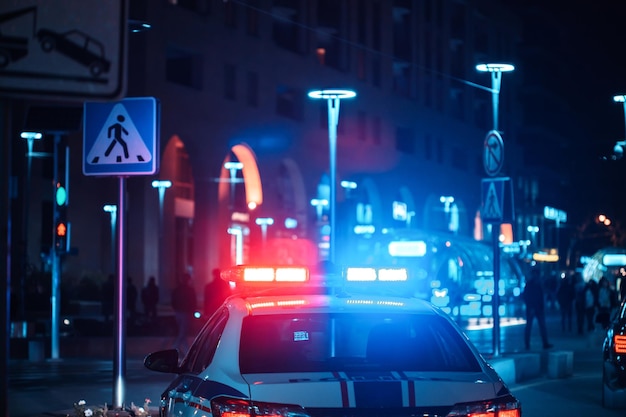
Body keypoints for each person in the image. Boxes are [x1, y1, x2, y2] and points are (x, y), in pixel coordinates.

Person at [522, 269, 553, 350]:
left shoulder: (536, 284)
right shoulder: (532, 284)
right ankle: (528, 344)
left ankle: (542, 343)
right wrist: (532, 306)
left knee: (538, 326)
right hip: (534, 308)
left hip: (537, 308)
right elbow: (527, 296)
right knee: (532, 326)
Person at [171, 272, 197, 354]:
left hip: (178, 312)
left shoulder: (177, 290)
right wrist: (192, 311)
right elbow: (193, 302)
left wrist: (176, 309)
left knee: (183, 332)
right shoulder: (190, 290)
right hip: (186, 313)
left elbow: (173, 301)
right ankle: (174, 348)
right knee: (183, 332)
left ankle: (186, 351)